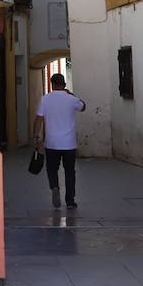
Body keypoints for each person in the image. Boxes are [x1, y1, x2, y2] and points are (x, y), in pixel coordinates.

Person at [33, 73, 85, 208]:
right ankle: (70, 201)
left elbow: (39, 118)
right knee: (69, 171)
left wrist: (35, 136)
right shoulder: (71, 99)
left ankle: (54, 186)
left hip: (51, 143)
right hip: (69, 144)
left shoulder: (45, 99)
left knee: (51, 168)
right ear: (64, 85)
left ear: (52, 84)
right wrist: (72, 95)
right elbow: (83, 106)